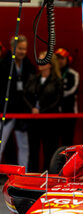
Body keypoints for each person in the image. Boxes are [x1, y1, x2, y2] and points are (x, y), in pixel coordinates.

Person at [0, 35, 36, 169]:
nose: (23, 52)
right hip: (6, 111)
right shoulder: (3, 65)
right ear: (12, 48)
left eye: (25, 49)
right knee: (1, 143)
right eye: (20, 49)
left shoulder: (28, 65)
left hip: (22, 112)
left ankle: (23, 176)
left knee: (24, 144)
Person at [24, 52, 63, 172]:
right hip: (33, 120)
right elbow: (25, 95)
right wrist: (32, 109)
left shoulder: (57, 81)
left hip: (49, 121)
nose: (40, 64)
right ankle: (32, 175)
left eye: (43, 61)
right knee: (33, 150)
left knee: (50, 150)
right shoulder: (33, 78)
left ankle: (49, 176)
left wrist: (42, 111)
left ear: (50, 64)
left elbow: (57, 101)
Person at [55, 48, 80, 146]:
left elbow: (72, 90)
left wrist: (56, 95)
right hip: (54, 113)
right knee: (54, 142)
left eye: (62, 58)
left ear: (67, 60)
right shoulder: (52, 73)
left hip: (69, 113)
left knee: (67, 141)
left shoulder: (73, 74)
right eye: (57, 58)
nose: (59, 61)